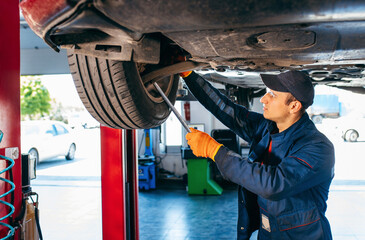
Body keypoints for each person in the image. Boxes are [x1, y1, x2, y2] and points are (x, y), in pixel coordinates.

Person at [181, 70, 335, 240]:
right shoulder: (267, 128)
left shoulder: (317, 148)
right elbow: (227, 110)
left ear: (294, 106)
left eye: (272, 95)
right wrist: (189, 76)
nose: (263, 99)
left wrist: (214, 151)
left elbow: (274, 184)